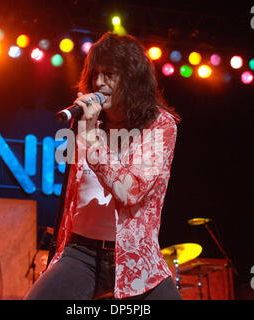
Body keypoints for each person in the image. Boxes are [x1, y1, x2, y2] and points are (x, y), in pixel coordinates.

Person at [25, 32, 182, 300]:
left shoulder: (159, 125)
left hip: (136, 256)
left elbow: (129, 191)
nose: (99, 82)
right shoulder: (89, 123)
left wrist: (91, 140)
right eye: (96, 74)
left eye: (109, 74)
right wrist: (87, 132)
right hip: (80, 253)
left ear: (131, 78)